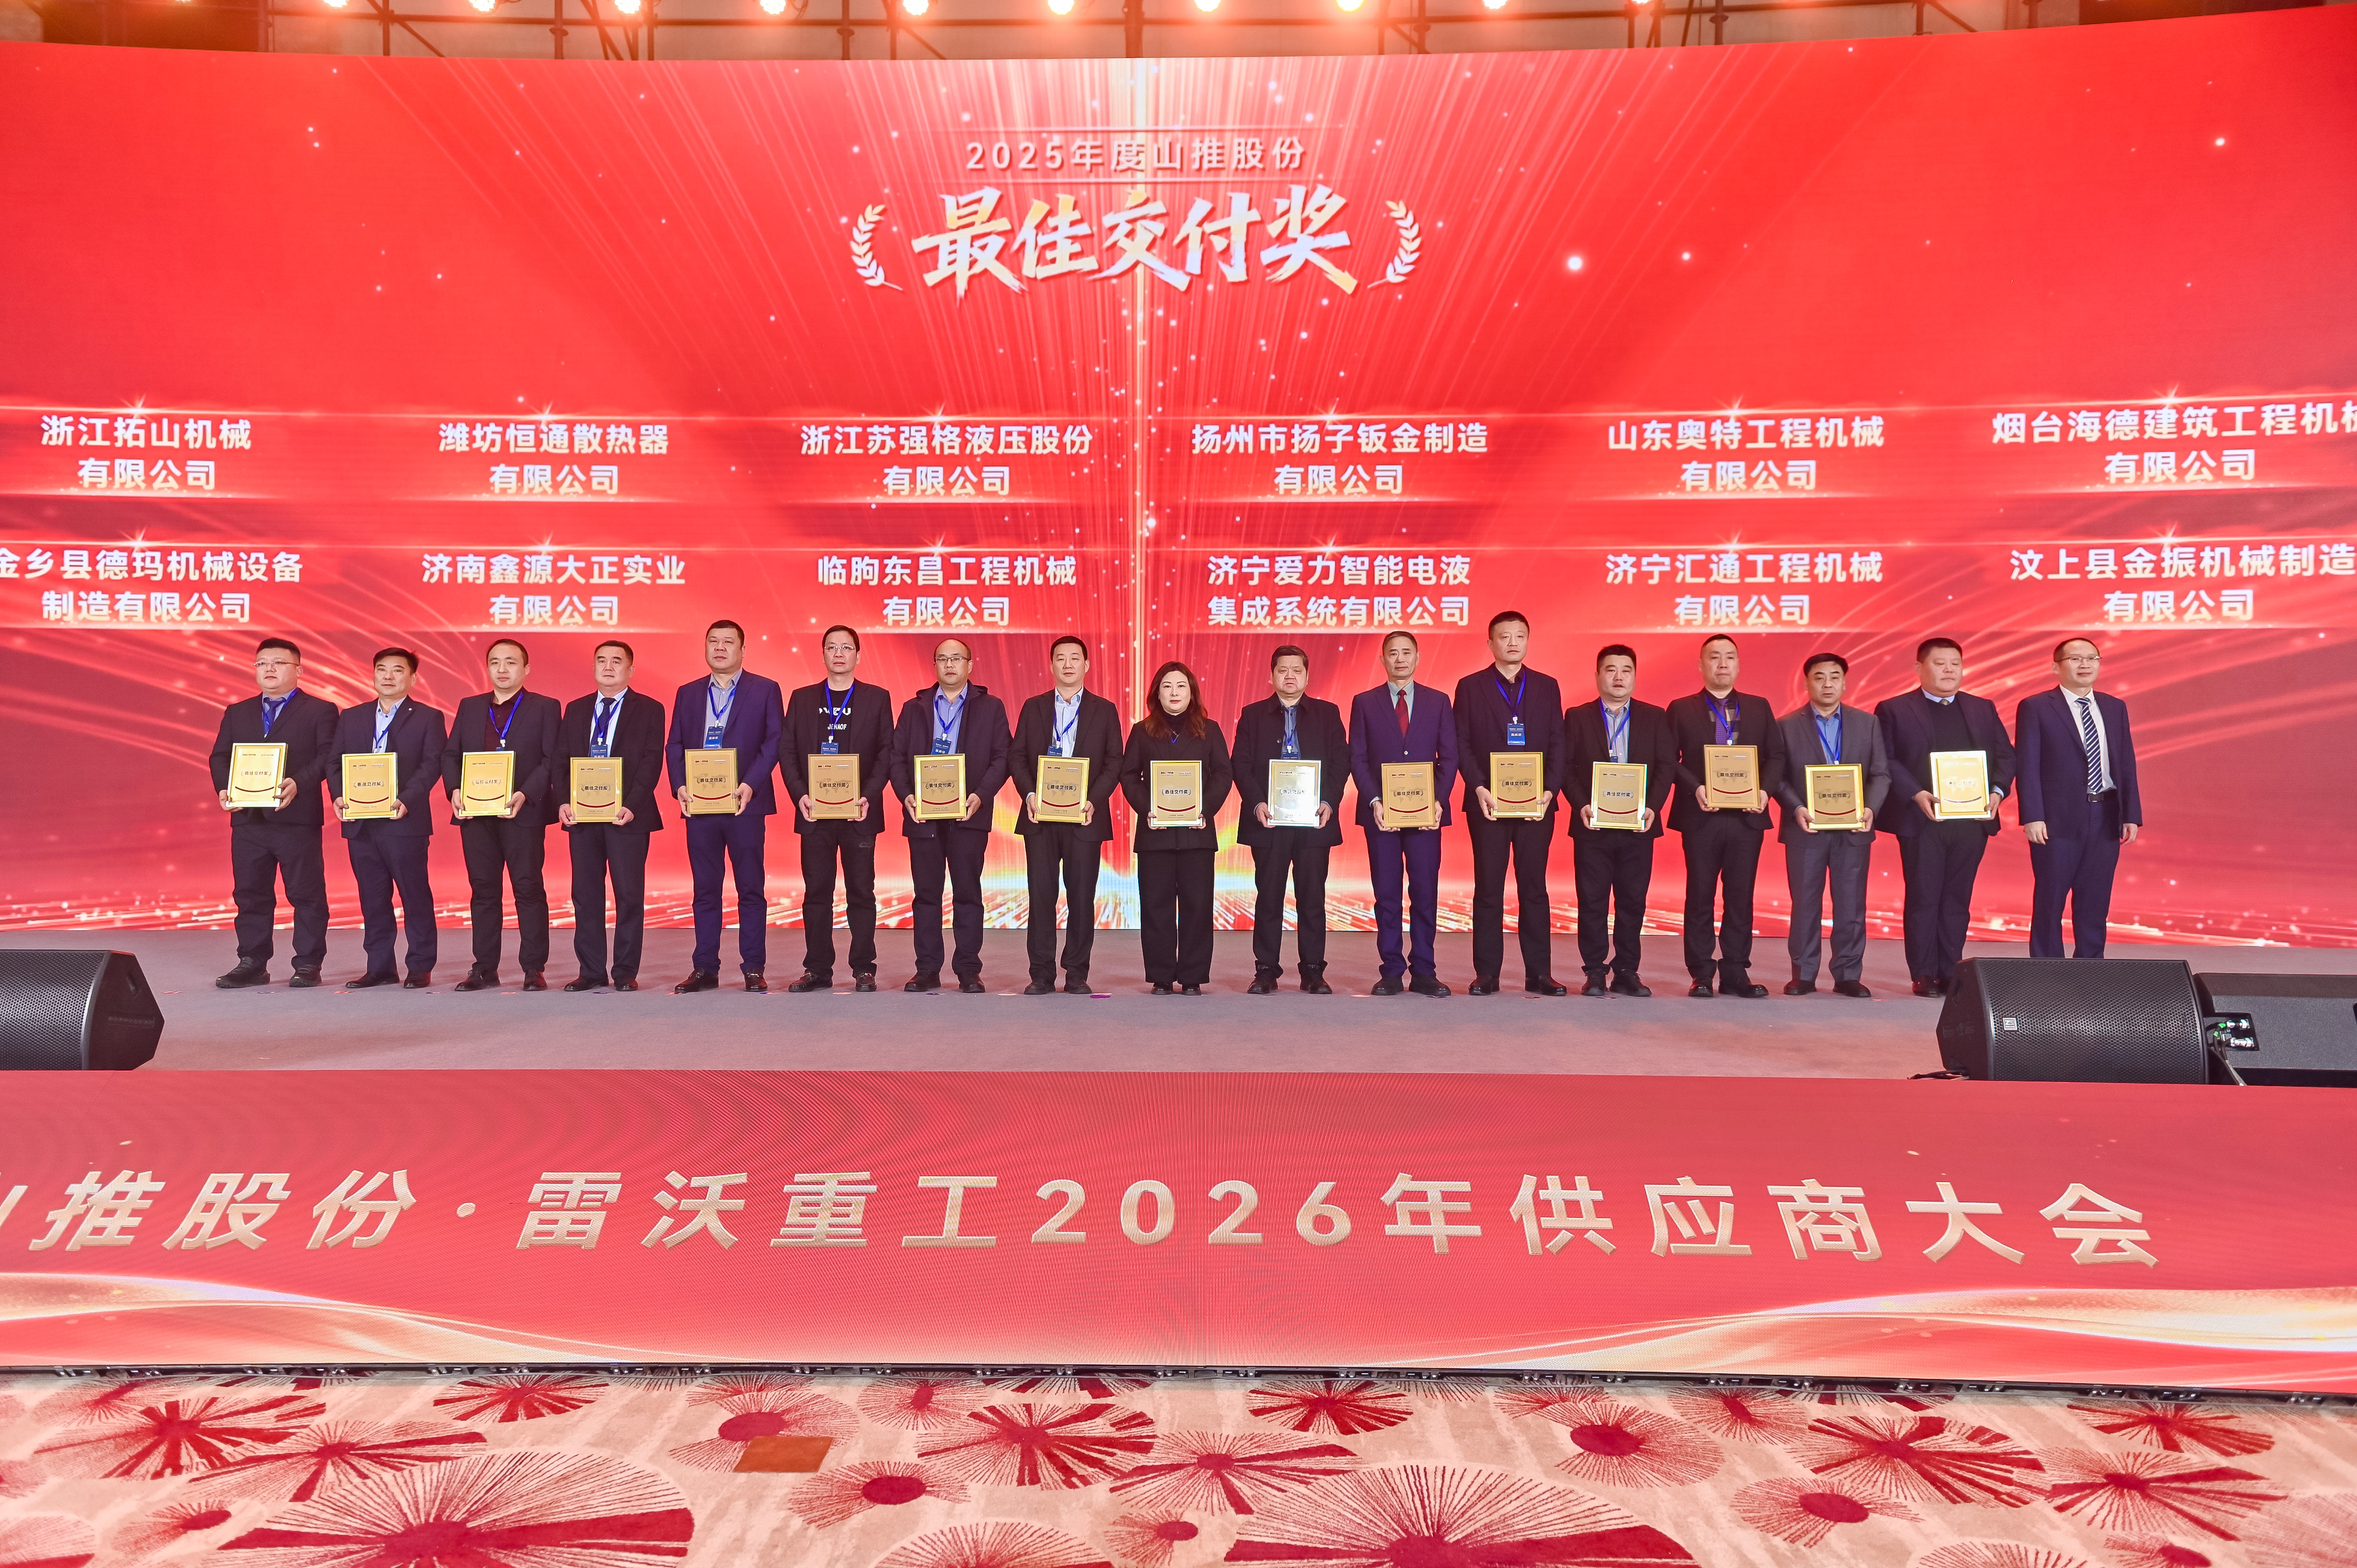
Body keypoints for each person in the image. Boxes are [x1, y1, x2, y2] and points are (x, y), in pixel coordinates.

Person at [1876, 636, 2017, 997]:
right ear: (1919, 668)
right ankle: (1923, 973)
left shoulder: (1982, 707)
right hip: (1923, 819)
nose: (1949, 670)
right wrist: (1915, 793)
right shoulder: (1894, 709)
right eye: (1940, 663)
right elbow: (1886, 759)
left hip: (1972, 821)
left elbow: (2006, 756)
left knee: (1957, 898)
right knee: (1924, 897)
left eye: (1955, 663)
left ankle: (1950, 969)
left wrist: (1997, 792)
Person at [207, 636, 338, 989]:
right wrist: (224, 788)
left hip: (296, 818)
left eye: (278, 663)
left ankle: (308, 963)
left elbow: (327, 757)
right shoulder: (238, 711)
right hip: (249, 819)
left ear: (299, 670)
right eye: (262, 663)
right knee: (250, 893)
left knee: (306, 894)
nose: (269, 669)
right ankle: (252, 962)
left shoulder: (320, 710)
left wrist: (299, 782)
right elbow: (220, 756)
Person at [1452, 611, 1568, 996]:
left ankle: (1540, 973)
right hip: (1488, 804)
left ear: (1528, 641)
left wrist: (1550, 790)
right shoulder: (1470, 686)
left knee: (1534, 888)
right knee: (1489, 888)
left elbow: (1558, 742)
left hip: (1537, 805)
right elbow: (1461, 743)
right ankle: (1487, 973)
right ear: (1491, 643)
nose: (1513, 642)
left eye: (1520, 635)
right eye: (1505, 636)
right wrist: (1478, 787)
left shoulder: (1547, 686)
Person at [667, 620, 785, 993]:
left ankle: (753, 967)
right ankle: (705, 968)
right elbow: (675, 744)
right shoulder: (688, 693)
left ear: (743, 650)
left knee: (750, 888)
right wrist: (680, 785)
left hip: (744, 804)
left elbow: (774, 741)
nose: (720, 648)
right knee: (705, 889)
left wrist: (750, 784)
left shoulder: (765, 689)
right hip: (699, 806)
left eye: (728, 642)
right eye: (713, 641)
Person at [440, 638, 563, 992]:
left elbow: (551, 759)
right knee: (483, 890)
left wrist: (526, 793)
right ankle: (484, 968)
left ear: (526, 668)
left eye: (511, 662)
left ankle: (533, 968)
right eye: (495, 662)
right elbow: (450, 755)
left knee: (528, 888)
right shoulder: (470, 706)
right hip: (476, 814)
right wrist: (455, 790)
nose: (502, 669)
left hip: (522, 812)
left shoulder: (545, 707)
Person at [1667, 634, 1786, 999]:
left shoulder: (1759, 707)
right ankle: (1701, 972)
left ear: (1738, 664)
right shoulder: (1681, 708)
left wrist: (1765, 791)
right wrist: (1696, 788)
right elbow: (1669, 759)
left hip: (1747, 817)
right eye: (1714, 657)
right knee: (1699, 895)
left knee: (1740, 896)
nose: (1722, 664)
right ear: (1701, 665)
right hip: (1702, 815)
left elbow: (1776, 756)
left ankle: (1736, 971)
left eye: (1730, 657)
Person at [777, 625, 895, 994]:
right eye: (832, 647)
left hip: (859, 813)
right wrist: (800, 795)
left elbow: (887, 753)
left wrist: (869, 796)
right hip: (815, 813)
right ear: (823, 654)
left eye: (846, 647)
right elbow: (787, 752)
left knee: (861, 892)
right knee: (817, 893)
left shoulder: (877, 698)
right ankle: (817, 969)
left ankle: (864, 968)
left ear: (858, 655)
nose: (839, 653)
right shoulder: (802, 698)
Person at [889, 637, 1010, 993]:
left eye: (957, 658)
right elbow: (896, 758)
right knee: (926, 894)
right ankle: (927, 969)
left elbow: (1002, 758)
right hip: (923, 816)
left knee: (968, 894)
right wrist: (907, 796)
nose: (950, 664)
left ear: (970, 665)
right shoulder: (914, 708)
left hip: (969, 814)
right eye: (942, 659)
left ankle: (969, 969)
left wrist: (980, 796)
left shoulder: (991, 707)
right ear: (935, 666)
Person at [1009, 635, 1124, 996]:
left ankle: (1076, 973)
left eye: (1075, 658)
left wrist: (1093, 800)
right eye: (1061, 658)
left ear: (1087, 665)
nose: (1068, 664)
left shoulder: (1105, 710)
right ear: (1051, 665)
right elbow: (1017, 756)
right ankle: (1041, 975)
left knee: (1081, 898)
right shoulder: (1034, 707)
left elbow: (1114, 762)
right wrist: (1030, 795)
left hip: (1084, 818)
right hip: (1041, 817)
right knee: (1041, 897)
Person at [1231, 644, 1349, 995]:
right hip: (1269, 821)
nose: (1290, 676)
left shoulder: (1328, 714)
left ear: (1307, 676)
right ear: (1271, 676)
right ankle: (1266, 970)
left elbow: (1341, 762)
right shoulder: (1253, 715)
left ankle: (1313, 971)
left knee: (1312, 897)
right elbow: (1241, 763)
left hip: (1314, 821)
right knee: (1269, 896)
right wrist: (1256, 803)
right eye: (1283, 670)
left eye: (1297, 670)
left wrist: (1329, 801)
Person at [1348, 630, 1459, 997]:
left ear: (1418, 657)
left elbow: (1450, 757)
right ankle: (1392, 971)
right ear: (1382, 659)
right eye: (1393, 653)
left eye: (1406, 652)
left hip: (1426, 816)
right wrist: (1374, 801)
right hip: (1382, 815)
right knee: (1387, 894)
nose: (1400, 659)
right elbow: (1358, 758)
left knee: (1425, 892)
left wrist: (1438, 800)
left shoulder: (1438, 701)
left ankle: (1425, 971)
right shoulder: (1364, 702)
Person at [2017, 636, 2142, 960]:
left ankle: (2091, 966)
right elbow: (2028, 764)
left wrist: (2131, 814)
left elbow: (2125, 762)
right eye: (2075, 659)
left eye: (2092, 658)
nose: (2085, 665)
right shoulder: (2036, 707)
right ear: (2056, 667)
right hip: (2056, 819)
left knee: (2095, 899)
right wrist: (2033, 815)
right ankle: (2047, 969)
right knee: (2051, 898)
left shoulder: (2114, 707)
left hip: (2105, 814)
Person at [1773, 653, 1889, 998]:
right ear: (1807, 682)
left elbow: (1881, 774)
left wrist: (1869, 808)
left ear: (1845, 682)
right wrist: (1796, 808)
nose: (1827, 684)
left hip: (1853, 830)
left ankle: (1848, 974)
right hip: (1805, 828)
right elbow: (1777, 777)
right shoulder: (1786, 725)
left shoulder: (1867, 723)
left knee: (1851, 905)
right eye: (1819, 677)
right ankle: (1804, 974)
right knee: (1805, 904)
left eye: (1835, 677)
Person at [1562, 644, 1676, 998]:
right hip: (1593, 825)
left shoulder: (1655, 716)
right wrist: (1581, 804)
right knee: (1592, 900)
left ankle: (1627, 970)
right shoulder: (1577, 717)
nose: (1618, 677)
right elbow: (1565, 767)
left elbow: (1666, 766)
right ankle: (1595, 971)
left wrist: (1653, 807)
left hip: (1638, 826)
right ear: (1598, 675)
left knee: (1632, 901)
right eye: (1610, 670)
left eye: (1626, 670)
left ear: (1635, 676)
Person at [331, 647, 445, 989]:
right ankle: (380, 967)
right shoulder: (352, 716)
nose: (389, 676)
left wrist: (407, 800)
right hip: (361, 823)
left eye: (398, 670)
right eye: (382, 669)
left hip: (404, 821)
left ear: (413, 678)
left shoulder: (428, 717)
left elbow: (432, 764)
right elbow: (335, 762)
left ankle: (420, 965)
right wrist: (338, 795)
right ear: (374, 674)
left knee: (414, 895)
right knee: (372, 898)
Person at [556, 639, 666, 992]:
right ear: (593, 667)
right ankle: (590, 971)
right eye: (601, 660)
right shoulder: (576, 709)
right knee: (585, 894)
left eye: (617, 661)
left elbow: (651, 761)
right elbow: (561, 760)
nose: (608, 666)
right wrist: (563, 802)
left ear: (630, 670)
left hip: (627, 815)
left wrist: (633, 804)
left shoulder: (650, 709)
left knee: (629, 895)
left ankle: (625, 971)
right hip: (582, 816)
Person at [1120, 660, 1233, 996]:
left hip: (1197, 833)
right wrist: (1148, 809)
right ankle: (1161, 976)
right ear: (1157, 693)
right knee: (1156, 906)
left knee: (1197, 906)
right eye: (1167, 686)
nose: (1174, 692)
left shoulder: (1209, 730)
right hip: (1154, 833)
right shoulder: (1141, 731)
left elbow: (1223, 774)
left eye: (1181, 686)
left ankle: (1193, 976)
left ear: (1192, 692)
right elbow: (1129, 776)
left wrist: (1204, 809)